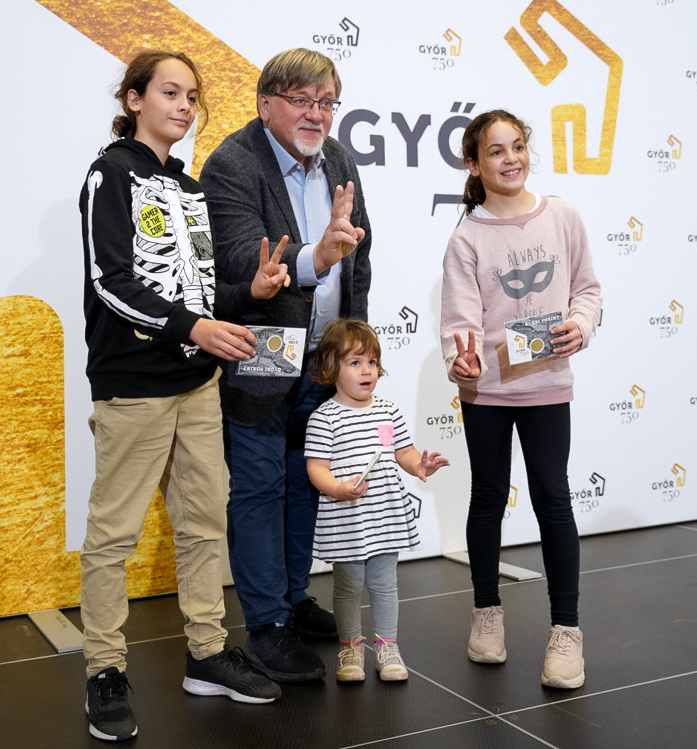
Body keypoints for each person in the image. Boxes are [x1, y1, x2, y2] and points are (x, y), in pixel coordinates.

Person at [78, 50, 290, 741]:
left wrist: (247, 291)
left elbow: (196, 292)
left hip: (197, 384)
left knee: (203, 525)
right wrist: (195, 325)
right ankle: (104, 670)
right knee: (113, 536)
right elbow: (112, 283)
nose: (184, 106)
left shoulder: (192, 189)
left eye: (192, 96)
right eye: (170, 92)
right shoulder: (109, 174)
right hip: (134, 386)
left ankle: (206, 653)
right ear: (134, 99)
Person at [199, 47, 372, 682]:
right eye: (301, 100)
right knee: (259, 486)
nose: (315, 114)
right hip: (261, 353)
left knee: (306, 481)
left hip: (324, 356)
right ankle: (267, 624)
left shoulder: (339, 158)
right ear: (265, 103)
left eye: (326, 102)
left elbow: (360, 254)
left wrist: (352, 340)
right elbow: (241, 258)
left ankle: (294, 598)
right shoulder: (232, 163)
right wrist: (316, 257)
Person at [440, 109, 602, 690]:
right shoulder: (467, 237)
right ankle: (486, 612)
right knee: (487, 498)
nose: (511, 159)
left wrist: (581, 325)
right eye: (496, 151)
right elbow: (460, 320)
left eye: (517, 147)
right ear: (473, 164)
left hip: (547, 384)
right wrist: (460, 359)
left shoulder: (562, 216)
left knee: (553, 498)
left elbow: (587, 289)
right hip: (486, 391)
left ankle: (567, 631)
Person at [304, 319, 448, 683]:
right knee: (349, 586)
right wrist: (338, 489)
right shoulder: (324, 418)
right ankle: (351, 646)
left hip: (384, 516)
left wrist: (419, 465)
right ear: (331, 367)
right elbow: (316, 468)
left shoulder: (388, 410)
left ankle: (387, 646)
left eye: (371, 362)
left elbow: (404, 451)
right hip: (346, 519)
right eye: (355, 363)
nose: (366, 371)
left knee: (385, 585)